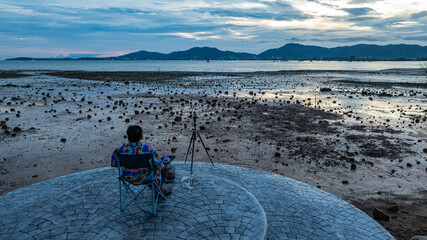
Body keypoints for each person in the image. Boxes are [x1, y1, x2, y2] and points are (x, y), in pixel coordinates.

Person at [111, 125, 173, 195]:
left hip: (127, 178)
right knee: (166, 166)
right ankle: (160, 189)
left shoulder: (119, 151)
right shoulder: (148, 150)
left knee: (153, 167)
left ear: (128, 137)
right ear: (141, 137)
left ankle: (158, 187)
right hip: (146, 178)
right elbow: (161, 167)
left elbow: (114, 164)